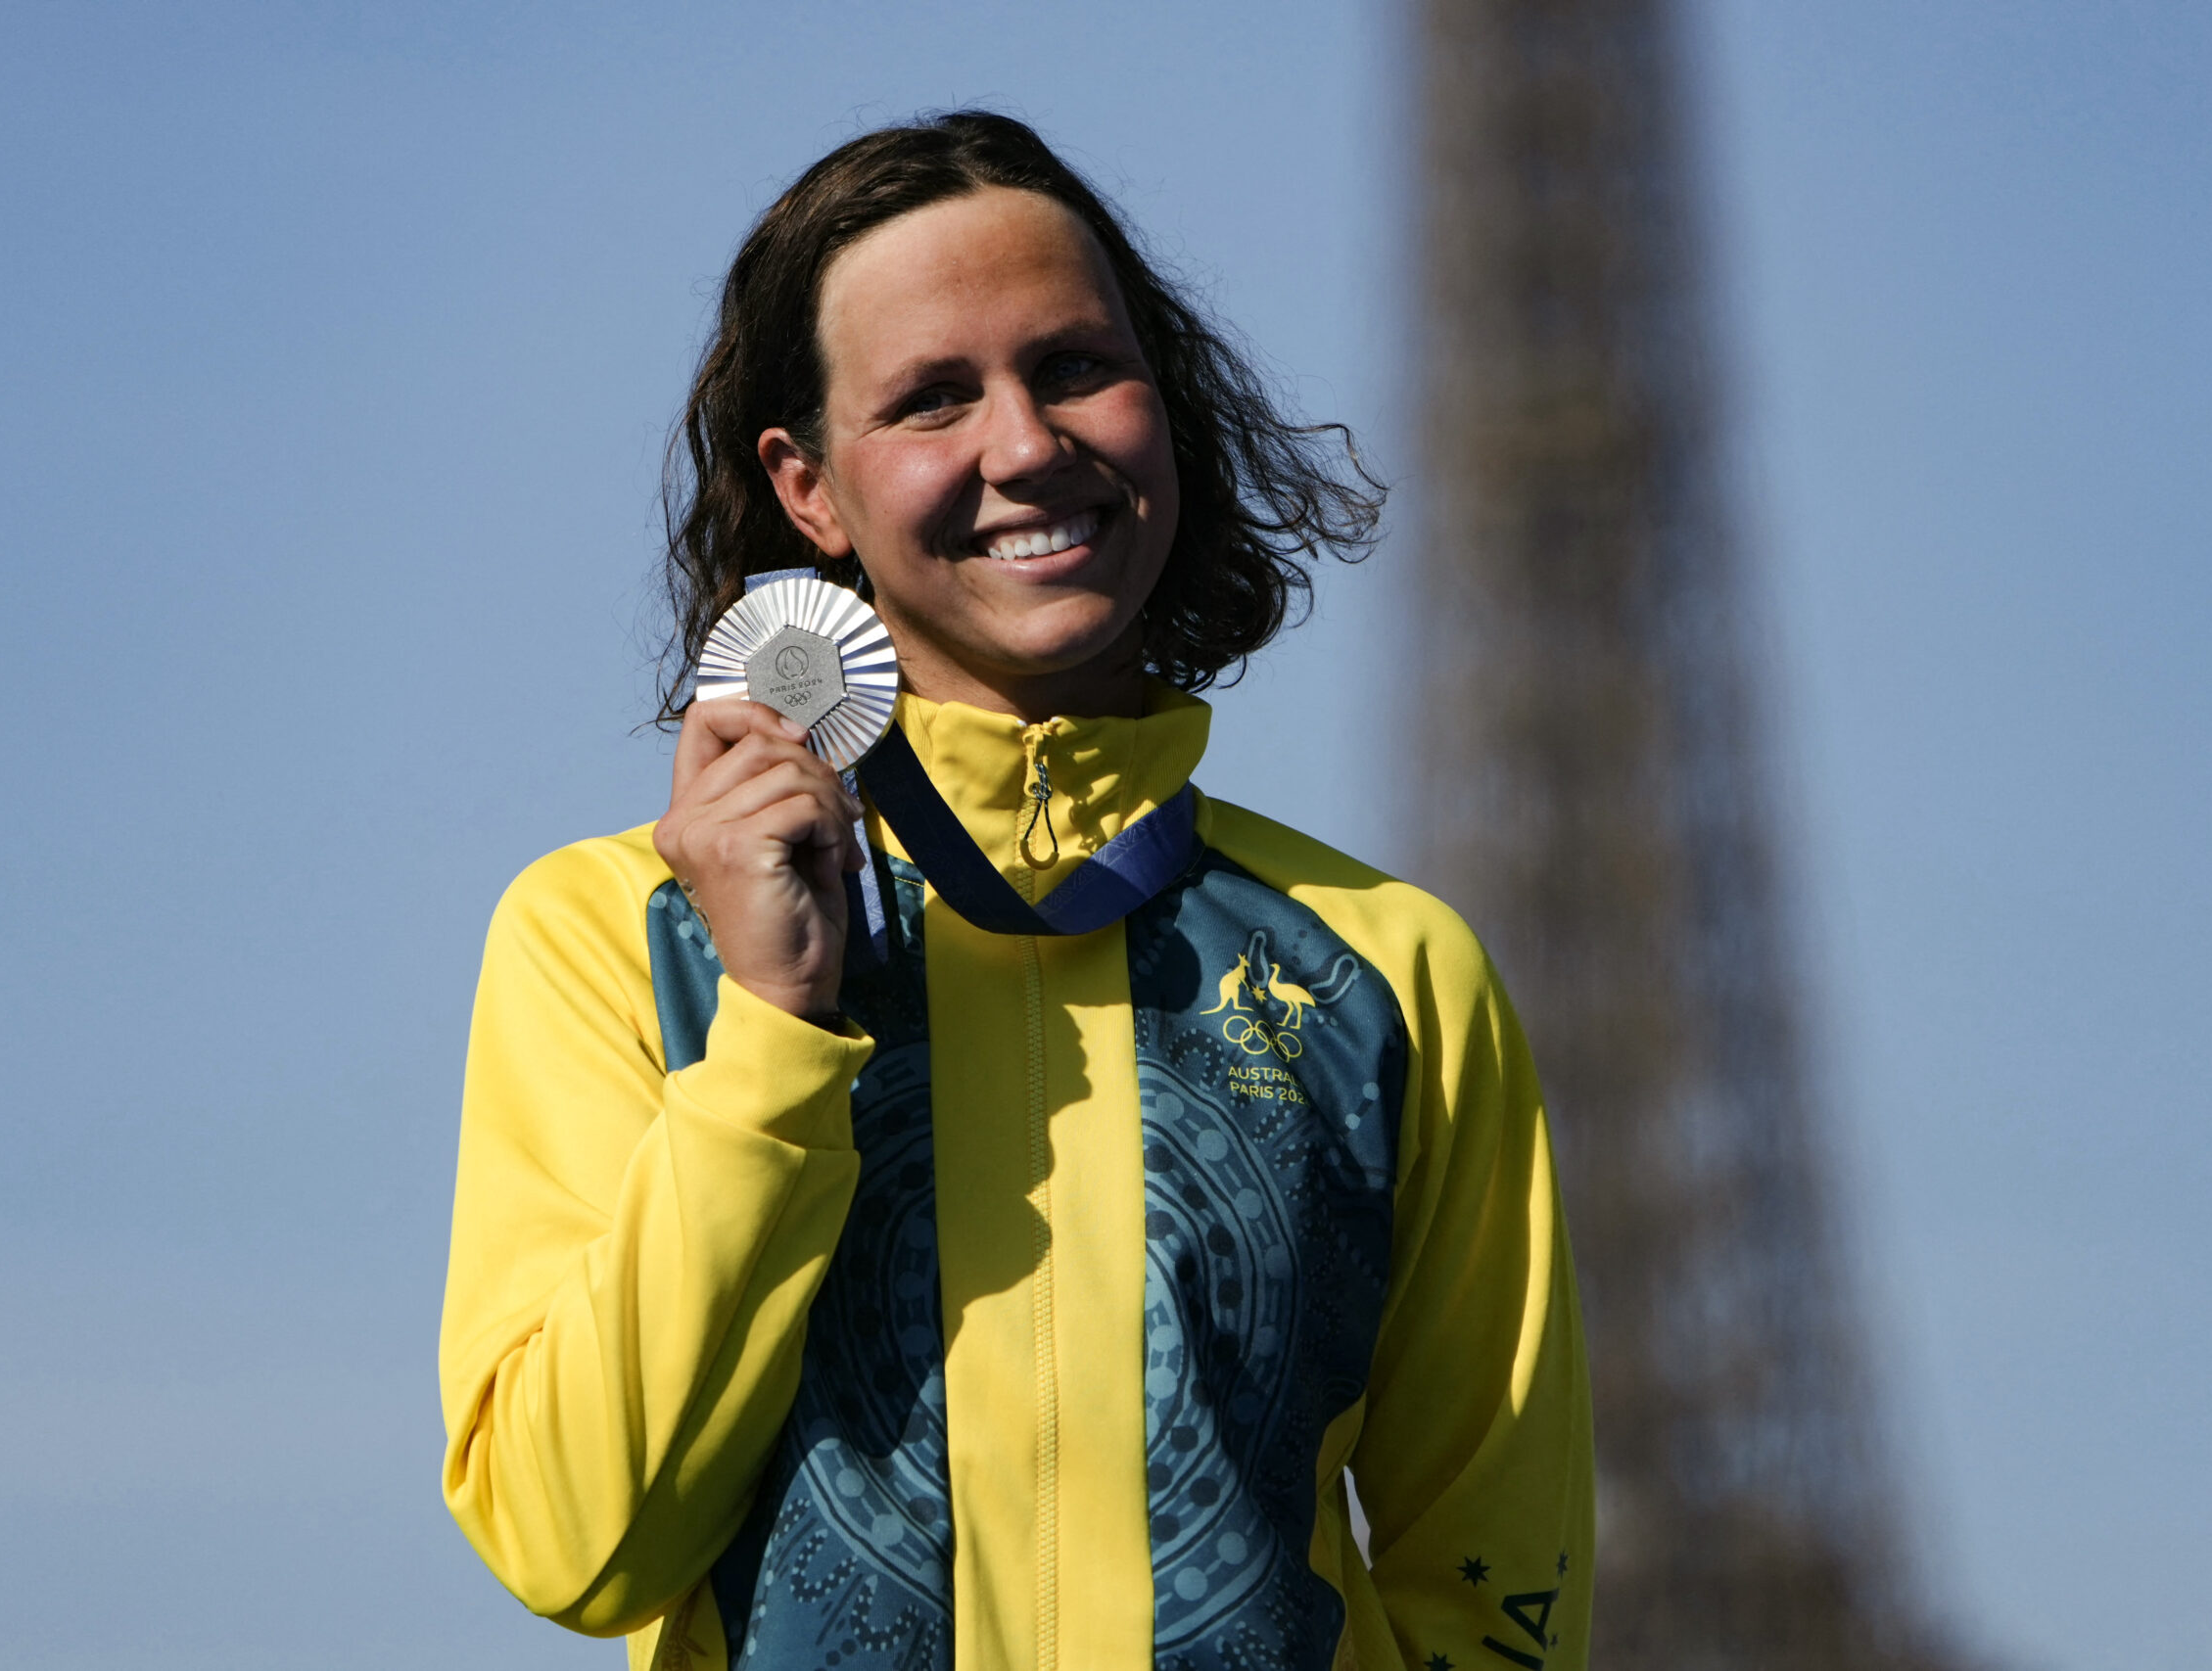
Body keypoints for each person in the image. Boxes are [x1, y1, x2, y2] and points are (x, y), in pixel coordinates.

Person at [438, 111, 1590, 1671]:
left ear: (1163, 409)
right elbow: (573, 1542)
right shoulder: (610, 934)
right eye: (931, 399)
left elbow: (1496, 1573)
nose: (1027, 445)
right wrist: (773, 1032)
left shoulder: (1391, 969)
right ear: (810, 489)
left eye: (1072, 366)